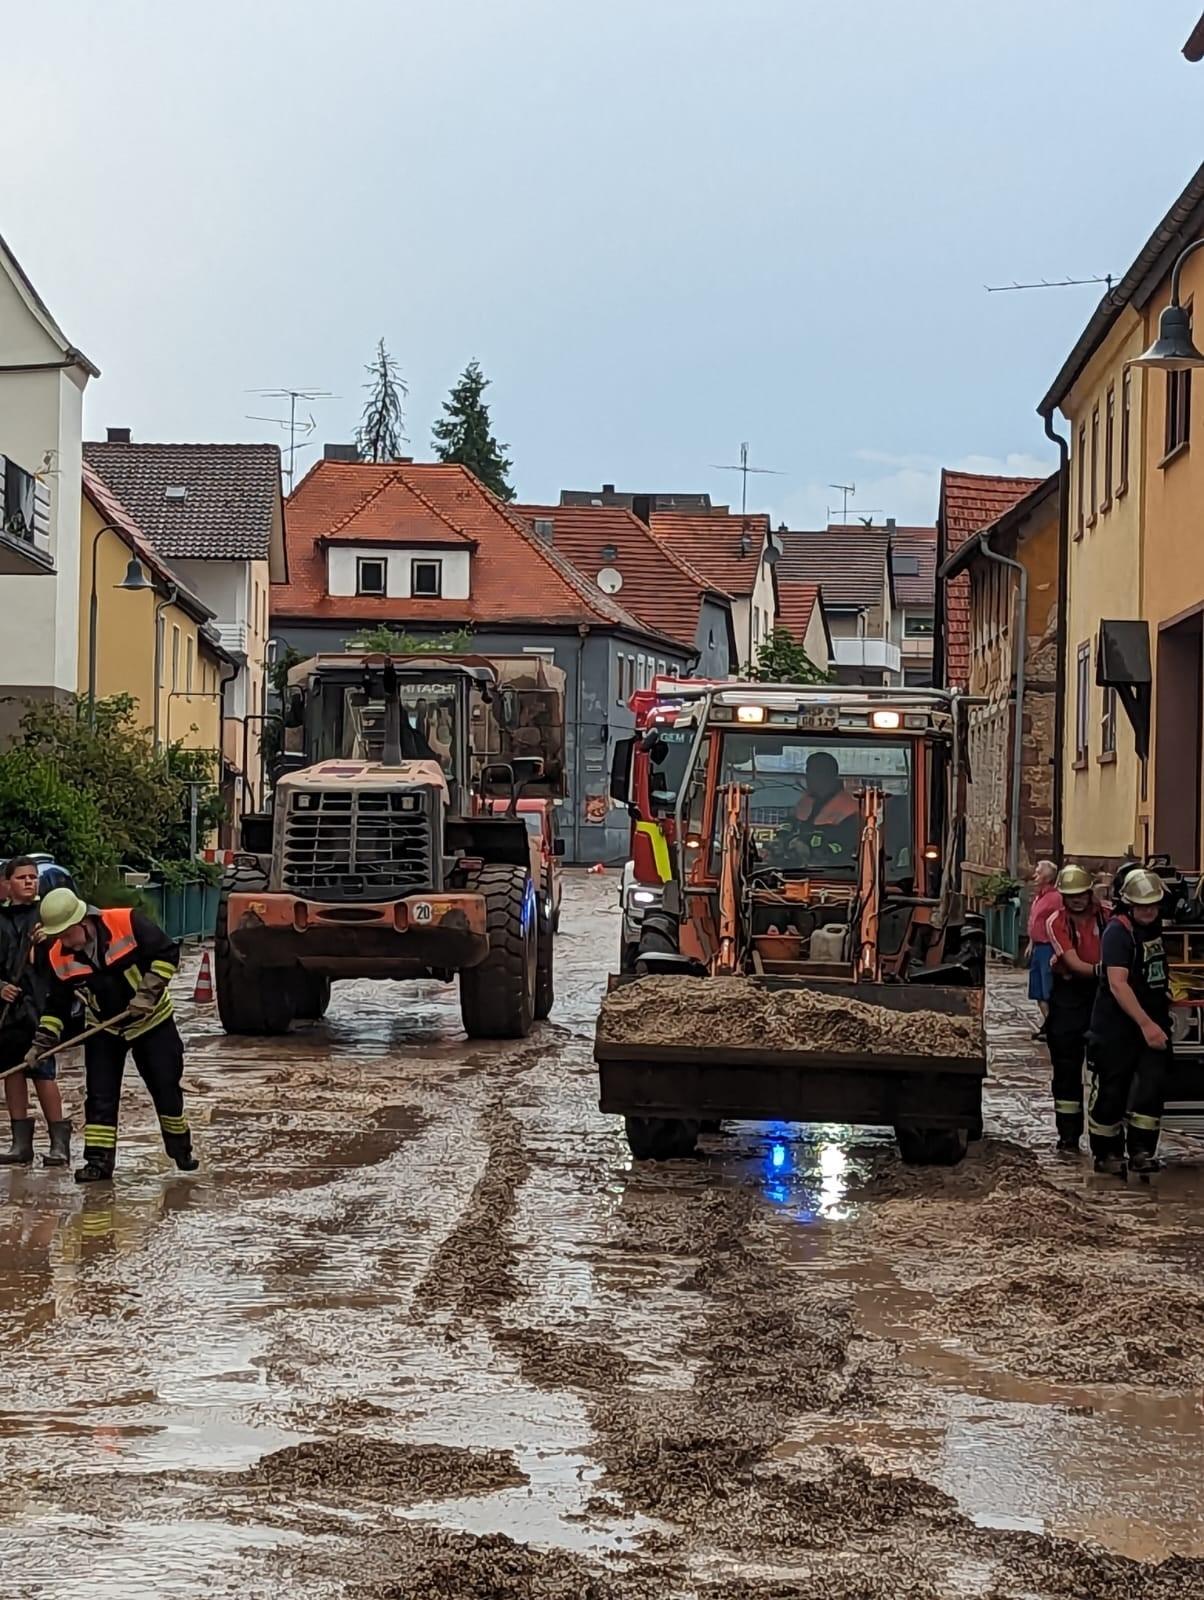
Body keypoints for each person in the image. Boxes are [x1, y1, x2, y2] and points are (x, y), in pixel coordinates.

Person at [24, 889, 197, 1184]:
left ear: (82, 921)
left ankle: (180, 1148)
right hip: (104, 1027)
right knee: (100, 1095)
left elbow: (167, 953)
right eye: (57, 936)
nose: (62, 942)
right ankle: (98, 1162)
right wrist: (42, 1042)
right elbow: (57, 1005)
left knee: (165, 1089)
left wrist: (148, 992)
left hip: (152, 1021)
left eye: (65, 934)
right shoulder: (58, 956)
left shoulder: (127, 922)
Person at [1087, 867, 1171, 1176]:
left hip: (1153, 1020)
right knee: (1112, 1089)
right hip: (1116, 1027)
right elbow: (1118, 984)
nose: (1148, 911)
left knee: (1151, 1087)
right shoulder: (1117, 933)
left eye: (1153, 905)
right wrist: (1146, 1025)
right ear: (1129, 904)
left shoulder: (1155, 928)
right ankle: (1107, 1152)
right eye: (1142, 905)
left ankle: (1142, 1150)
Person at [0, 858, 71, 1167]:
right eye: (22, 877)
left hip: (41, 1006)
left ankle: (59, 1143)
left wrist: (49, 941)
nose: (29, 882)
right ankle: (20, 1144)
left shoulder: (47, 917)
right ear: (6, 883)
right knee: (13, 1072)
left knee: (43, 1070)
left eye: (33, 877)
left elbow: (66, 956)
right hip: (6, 1010)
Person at [1043, 863, 1109, 1153]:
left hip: (1103, 993)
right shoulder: (1056, 921)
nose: (1076, 900)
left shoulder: (1108, 917)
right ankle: (1068, 1136)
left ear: (1089, 892)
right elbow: (1072, 963)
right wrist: (1107, 971)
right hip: (1070, 995)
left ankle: (1105, 1137)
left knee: (1108, 1065)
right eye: (1070, 896)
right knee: (1066, 1066)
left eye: (1080, 894)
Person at [1025, 859, 1061, 1041]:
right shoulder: (1039, 896)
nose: (1034, 876)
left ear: (1047, 877)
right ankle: (1049, 1024)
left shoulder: (1055, 898)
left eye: (1038, 873)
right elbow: (1034, 921)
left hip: (1048, 947)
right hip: (1038, 947)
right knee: (1038, 990)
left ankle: (1052, 1027)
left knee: (1048, 990)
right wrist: (1031, 942)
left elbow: (1059, 924)